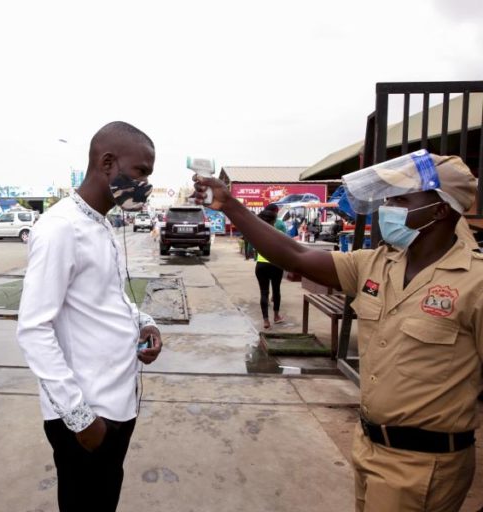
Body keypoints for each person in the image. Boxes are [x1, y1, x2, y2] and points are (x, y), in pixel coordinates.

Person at [193, 152, 481, 512]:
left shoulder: (475, 282)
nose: (388, 208)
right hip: (369, 448)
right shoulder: (377, 263)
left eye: (401, 200)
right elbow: (296, 255)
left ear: (438, 211)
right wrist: (230, 205)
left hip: (427, 465)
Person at [17, 121, 163, 512]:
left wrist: (144, 322)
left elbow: (110, 298)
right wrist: (80, 418)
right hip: (87, 415)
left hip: (118, 403)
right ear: (107, 163)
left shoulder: (100, 223)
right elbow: (33, 329)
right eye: (141, 172)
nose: (145, 184)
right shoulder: (60, 229)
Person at [255, 209, 284, 329]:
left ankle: (266, 321)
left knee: (264, 292)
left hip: (261, 265)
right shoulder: (279, 233)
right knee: (276, 290)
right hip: (276, 265)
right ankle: (276, 316)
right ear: (274, 221)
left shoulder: (258, 234)